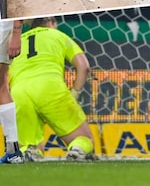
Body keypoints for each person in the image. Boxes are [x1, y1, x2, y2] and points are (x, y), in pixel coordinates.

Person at [8, 17, 97, 161]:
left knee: (29, 147)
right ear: (50, 23)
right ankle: (77, 150)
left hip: (18, 92)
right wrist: (74, 93)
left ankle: (29, 154)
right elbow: (84, 66)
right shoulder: (58, 35)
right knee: (84, 139)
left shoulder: (16, 42)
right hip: (49, 86)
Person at [0, 19, 24, 164]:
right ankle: (12, 151)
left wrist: (16, 33)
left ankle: (13, 151)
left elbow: (18, 1)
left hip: (3, 26)